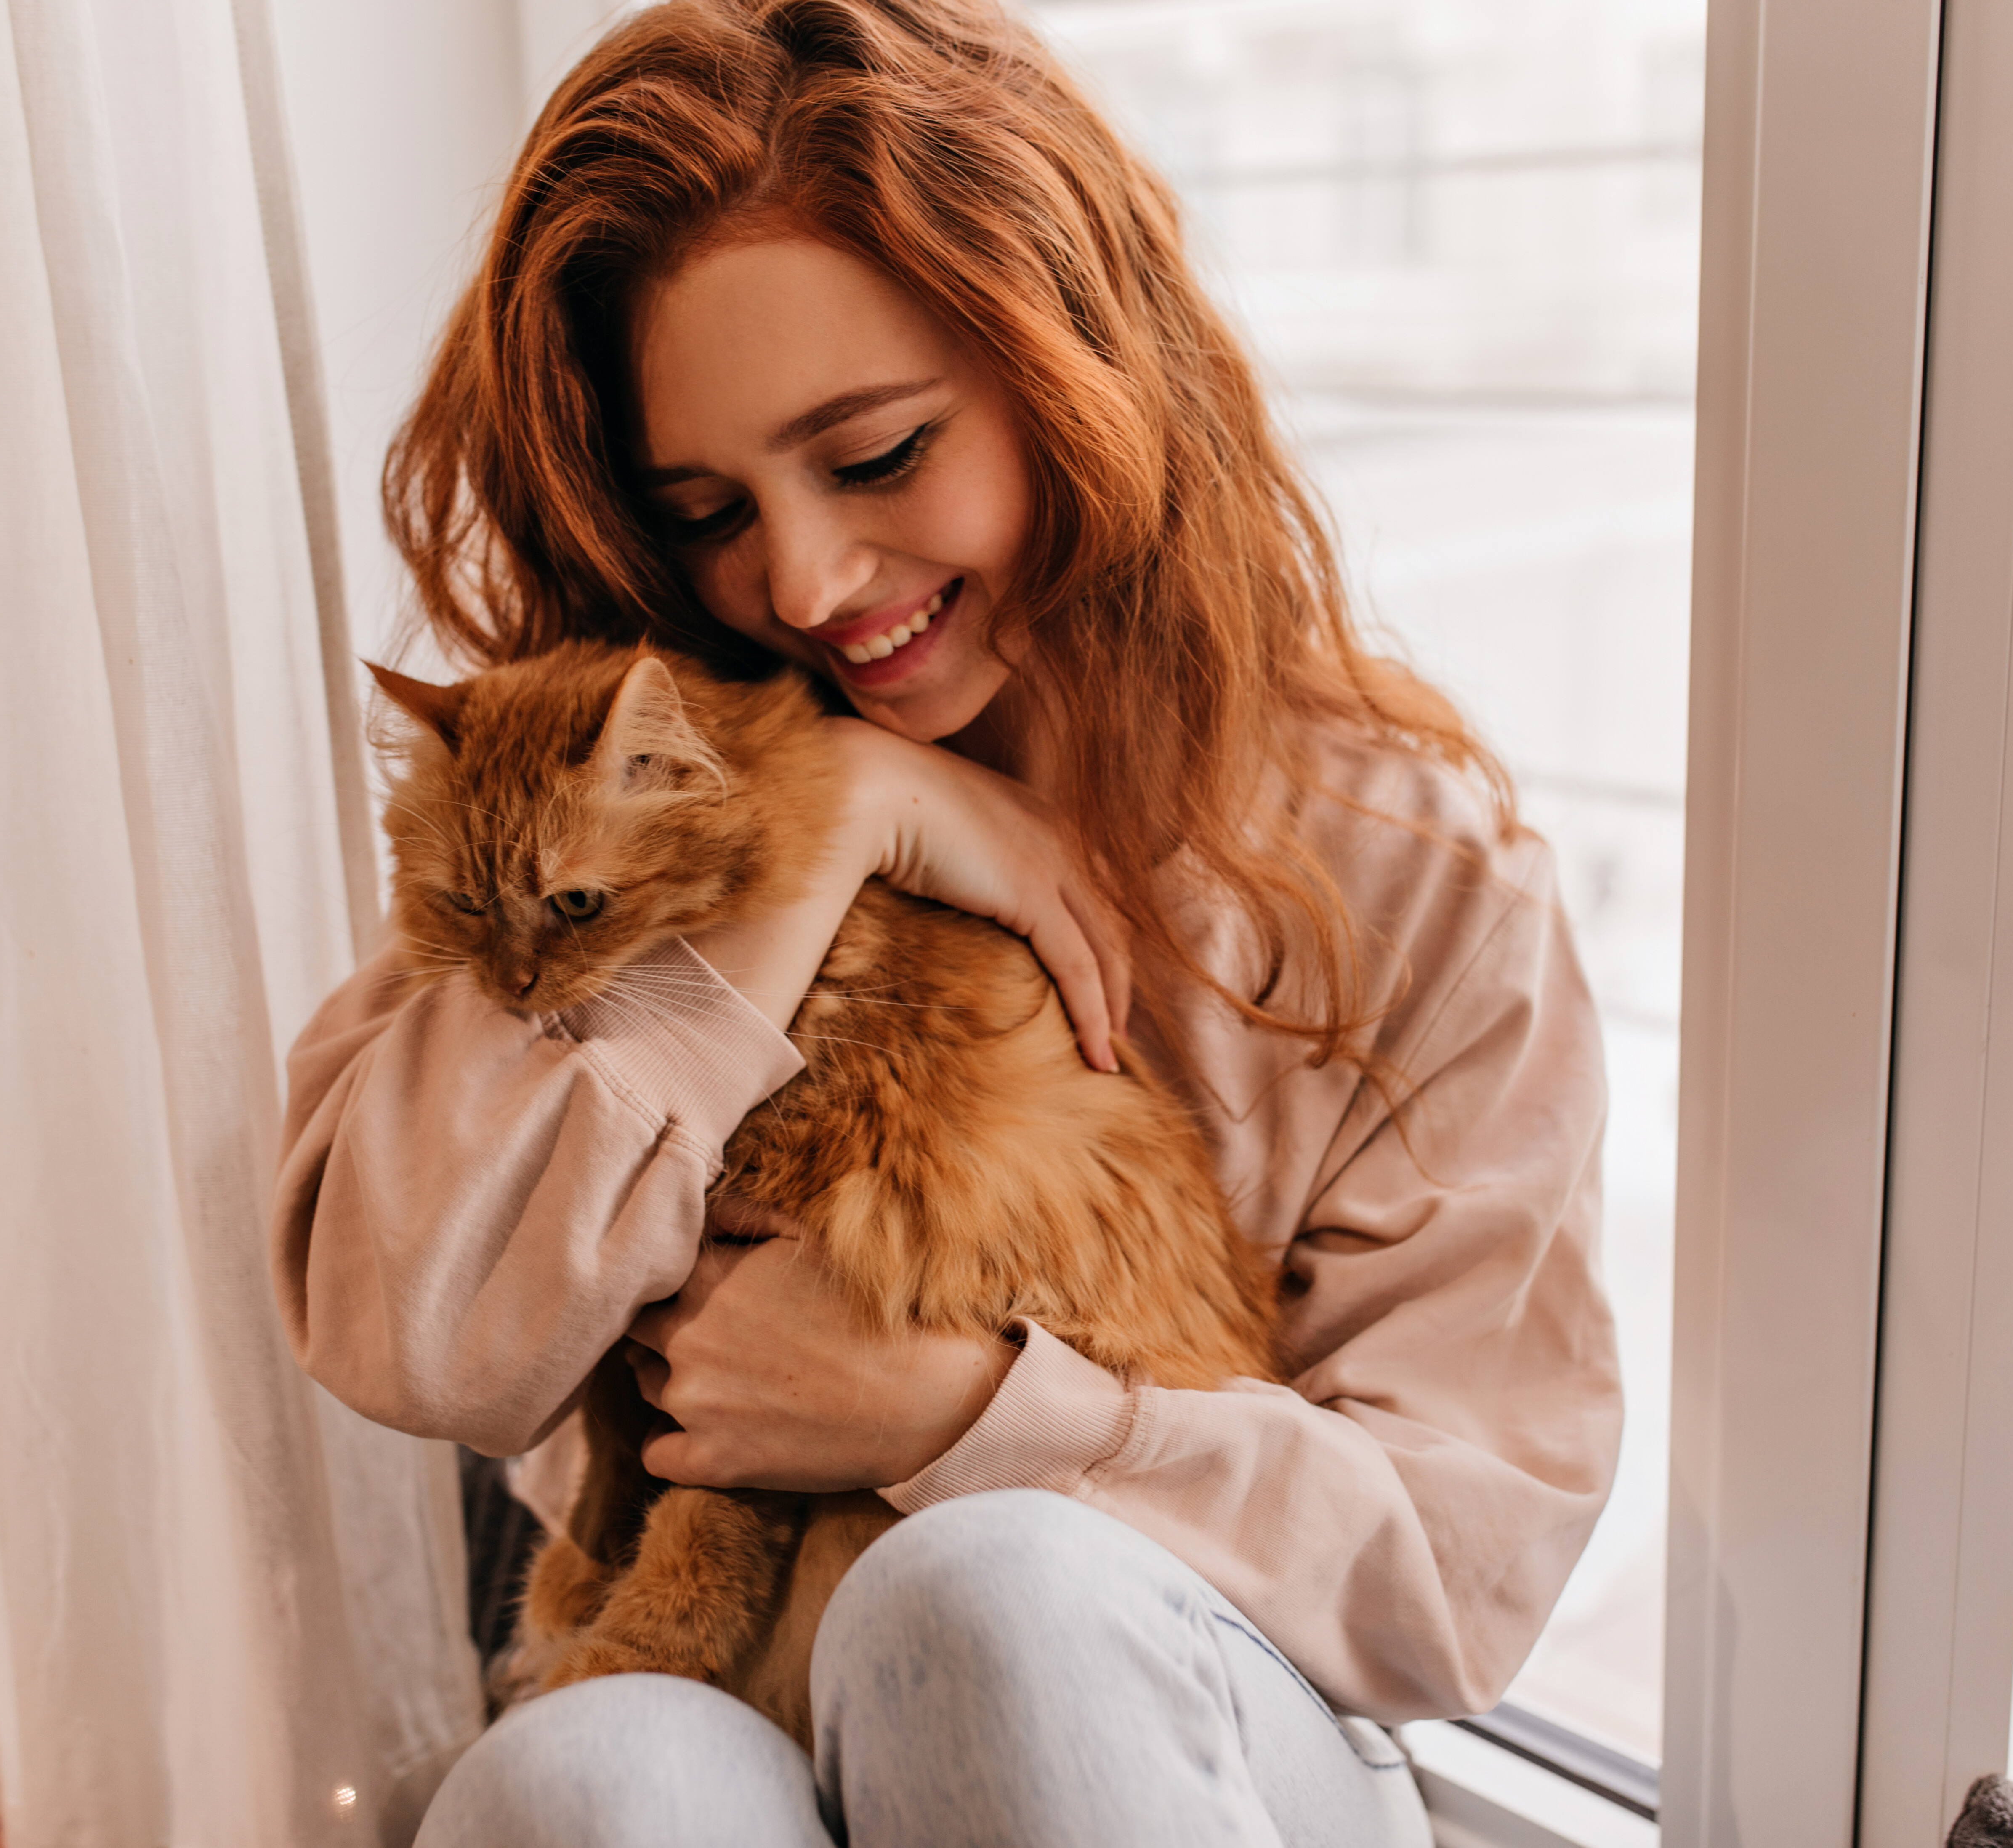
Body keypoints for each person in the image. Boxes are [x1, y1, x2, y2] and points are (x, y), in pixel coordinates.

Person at [269, 1, 1621, 1841]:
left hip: (1187, 1718)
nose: (809, 580)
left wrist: (953, 1411)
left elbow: (1458, 1574)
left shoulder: (1406, 860)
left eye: (883, 454)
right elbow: (412, 1336)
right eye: (709, 509)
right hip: (749, 1699)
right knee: (581, 1779)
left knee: (987, 1592)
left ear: (1074, 366)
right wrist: (843, 826)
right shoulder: (631, 768)